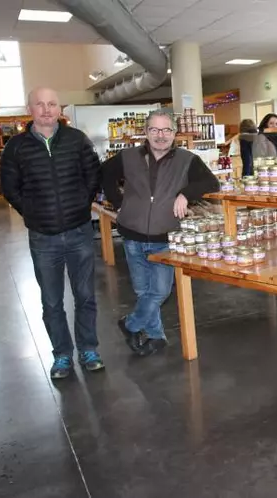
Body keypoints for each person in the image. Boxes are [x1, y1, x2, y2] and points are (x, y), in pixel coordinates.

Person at [0, 87, 103, 380]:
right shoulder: (16, 147)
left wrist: (81, 205)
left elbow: (92, 175)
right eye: (40, 104)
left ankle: (89, 349)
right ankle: (61, 355)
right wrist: (32, 213)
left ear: (60, 109)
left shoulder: (77, 140)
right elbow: (9, 188)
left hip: (79, 232)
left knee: (85, 296)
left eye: (52, 104)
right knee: (52, 301)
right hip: (42, 238)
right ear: (29, 108)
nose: (46, 109)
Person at [102, 109, 219, 356]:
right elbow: (104, 175)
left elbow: (211, 183)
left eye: (166, 130)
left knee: (160, 291)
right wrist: (118, 202)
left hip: (166, 238)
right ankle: (156, 337)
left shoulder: (187, 160)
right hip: (132, 235)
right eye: (154, 130)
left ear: (175, 133)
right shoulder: (128, 156)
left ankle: (130, 324)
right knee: (143, 292)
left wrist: (185, 194)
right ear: (146, 132)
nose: (160, 135)